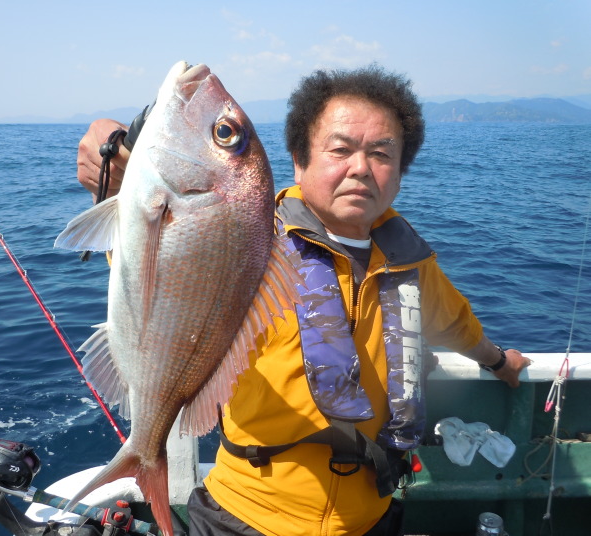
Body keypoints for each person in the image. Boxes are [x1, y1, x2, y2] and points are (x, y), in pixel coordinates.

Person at [75, 64, 531, 536]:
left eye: (381, 153)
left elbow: (455, 322)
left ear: (399, 173)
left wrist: (498, 361)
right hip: (243, 517)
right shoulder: (250, 236)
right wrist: (118, 163)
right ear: (299, 160)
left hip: (371, 519)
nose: (360, 167)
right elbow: (156, 267)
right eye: (340, 149)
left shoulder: (408, 261)